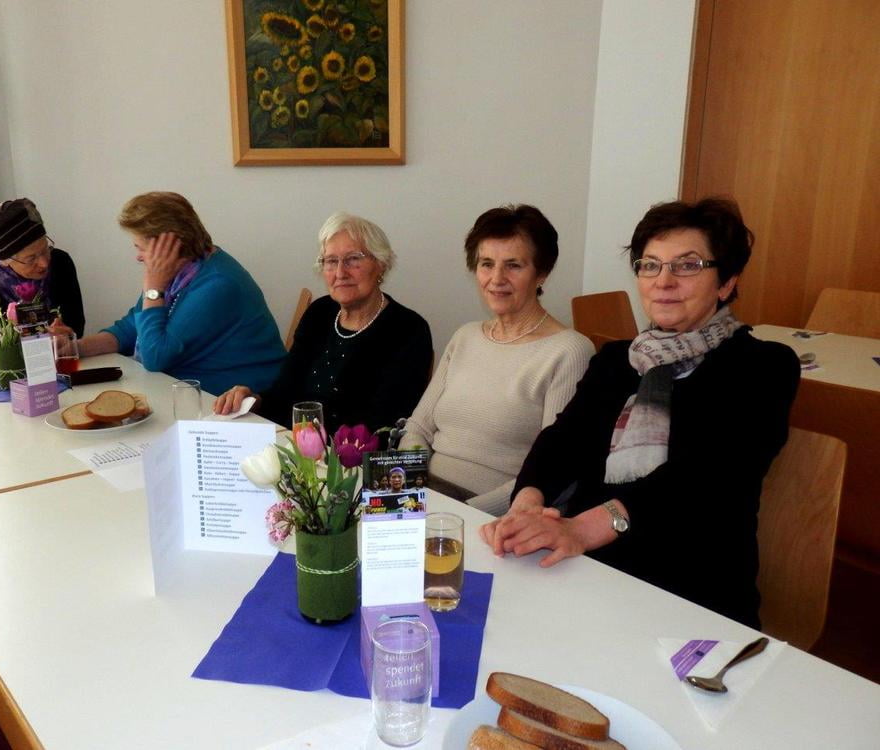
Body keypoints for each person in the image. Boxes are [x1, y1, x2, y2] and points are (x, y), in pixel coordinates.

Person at [482, 198, 800, 628]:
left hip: (690, 588)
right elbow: (563, 440)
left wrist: (582, 529)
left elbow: (705, 478)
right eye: (650, 265)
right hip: (585, 571)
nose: (663, 281)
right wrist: (527, 503)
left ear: (726, 282)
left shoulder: (763, 366)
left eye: (687, 265)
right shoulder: (617, 360)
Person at [399, 205, 594, 517]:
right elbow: (418, 428)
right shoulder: (465, 336)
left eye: (513, 265)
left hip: (497, 513)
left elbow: (554, 469)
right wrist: (410, 491)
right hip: (429, 498)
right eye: (486, 264)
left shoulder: (569, 351)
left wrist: (461, 514)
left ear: (542, 273)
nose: (496, 278)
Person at [213, 212, 433, 434]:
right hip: (291, 444)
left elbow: (385, 427)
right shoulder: (320, 312)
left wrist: (311, 445)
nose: (340, 272)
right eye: (331, 261)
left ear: (381, 264)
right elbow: (284, 393)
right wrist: (253, 400)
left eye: (353, 259)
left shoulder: (408, 330)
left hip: (348, 454)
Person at [56, 192, 285, 394]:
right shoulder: (179, 273)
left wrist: (153, 288)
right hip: (186, 389)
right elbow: (131, 328)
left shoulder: (218, 284)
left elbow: (156, 356)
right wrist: (75, 348)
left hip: (244, 401)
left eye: (141, 248)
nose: (138, 257)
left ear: (168, 246)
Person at [0, 198, 84, 352]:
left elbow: (76, 327)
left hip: (54, 358)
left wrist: (64, 334)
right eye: (31, 258)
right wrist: (38, 340)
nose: (44, 263)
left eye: (45, 249)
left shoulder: (61, 261)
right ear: (5, 261)